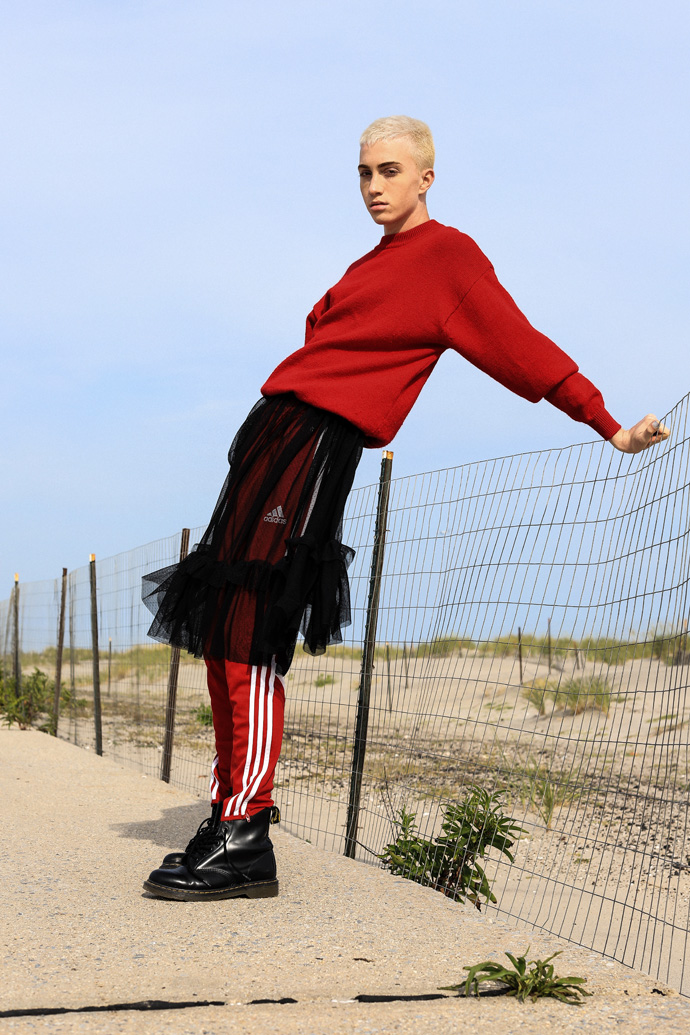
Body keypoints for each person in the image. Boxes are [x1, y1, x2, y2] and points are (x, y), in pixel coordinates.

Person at [141, 116, 670, 902]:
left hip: (315, 447)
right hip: (273, 437)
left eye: (389, 170)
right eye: (363, 172)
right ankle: (226, 812)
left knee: (254, 632)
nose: (373, 186)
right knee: (224, 625)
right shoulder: (369, 262)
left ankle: (246, 833)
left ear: (426, 177)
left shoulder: (449, 258)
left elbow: (521, 345)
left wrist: (608, 424)